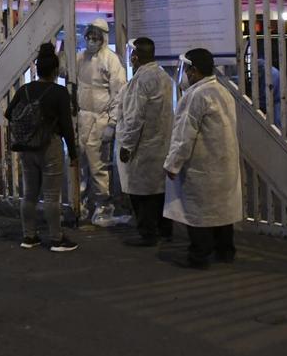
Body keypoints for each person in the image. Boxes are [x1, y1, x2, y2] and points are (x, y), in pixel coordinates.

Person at [163, 48, 243, 269]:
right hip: (223, 164)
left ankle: (198, 256)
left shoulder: (196, 95)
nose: (186, 74)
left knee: (198, 213)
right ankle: (225, 252)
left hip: (202, 166)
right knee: (221, 212)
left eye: (187, 69)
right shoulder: (222, 91)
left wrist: (172, 164)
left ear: (194, 71)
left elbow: (184, 136)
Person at [5, 43, 79, 252]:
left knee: (29, 194)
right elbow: (66, 125)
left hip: (27, 147)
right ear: (56, 71)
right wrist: (73, 153)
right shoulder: (59, 92)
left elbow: (9, 113)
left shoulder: (24, 90)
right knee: (51, 195)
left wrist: (30, 123)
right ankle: (56, 239)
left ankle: (29, 237)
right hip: (50, 146)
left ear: (37, 69)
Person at [116, 37, 174, 246]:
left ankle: (148, 234)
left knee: (141, 194)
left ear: (135, 57)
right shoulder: (164, 77)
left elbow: (134, 118)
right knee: (159, 191)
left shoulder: (140, 81)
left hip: (143, 146)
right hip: (161, 143)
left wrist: (127, 146)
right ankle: (164, 230)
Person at [75, 17, 126, 226]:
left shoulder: (111, 60)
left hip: (100, 120)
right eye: (89, 37)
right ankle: (82, 205)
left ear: (103, 38)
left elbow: (119, 93)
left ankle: (103, 206)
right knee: (80, 165)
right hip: (82, 118)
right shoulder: (81, 57)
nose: (91, 41)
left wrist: (112, 123)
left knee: (98, 167)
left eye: (95, 38)